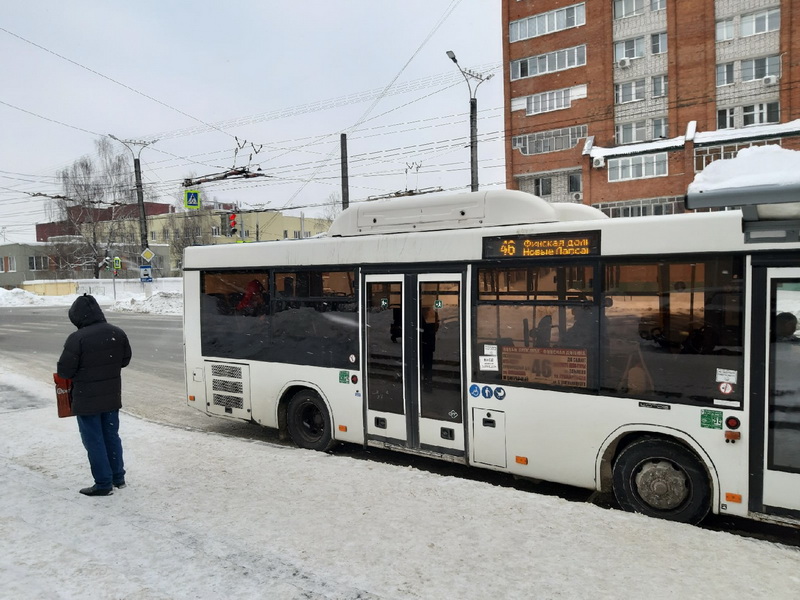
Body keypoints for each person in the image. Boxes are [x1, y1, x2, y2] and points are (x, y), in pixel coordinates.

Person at [57, 294, 132, 496]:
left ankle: (103, 483)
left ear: (78, 317)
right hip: (111, 396)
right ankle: (118, 477)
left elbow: (65, 371)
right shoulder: (117, 332)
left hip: (86, 398)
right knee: (111, 435)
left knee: (94, 440)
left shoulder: (77, 338)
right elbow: (124, 360)